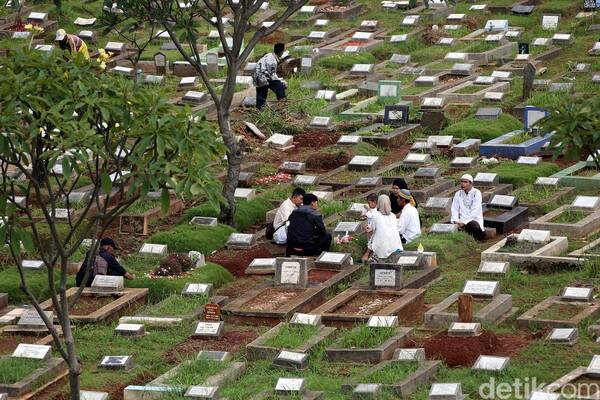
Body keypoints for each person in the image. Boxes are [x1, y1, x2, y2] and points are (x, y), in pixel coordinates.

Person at [365, 195, 403, 262]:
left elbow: (372, 229)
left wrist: (368, 229)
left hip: (382, 247)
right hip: (396, 245)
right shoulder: (393, 215)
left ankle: (370, 255)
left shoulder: (376, 215)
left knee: (372, 235)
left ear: (378, 203)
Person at [253, 42, 288, 110]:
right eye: (283, 51)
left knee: (261, 94)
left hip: (257, 78)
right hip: (262, 77)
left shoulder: (269, 55)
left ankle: (259, 110)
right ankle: (281, 101)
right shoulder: (272, 61)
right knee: (279, 85)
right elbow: (272, 75)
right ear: (281, 52)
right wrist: (282, 81)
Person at [451, 174, 485, 241]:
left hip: (473, 220)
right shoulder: (458, 194)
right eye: (461, 181)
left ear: (471, 184)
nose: (463, 184)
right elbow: (454, 208)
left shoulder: (477, 193)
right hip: (460, 220)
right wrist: (456, 220)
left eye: (465, 182)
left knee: (473, 226)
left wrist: (464, 222)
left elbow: (475, 210)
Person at [361, 193, 379, 262]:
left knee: (372, 240)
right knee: (369, 240)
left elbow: (372, 215)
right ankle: (370, 252)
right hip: (370, 227)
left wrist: (368, 209)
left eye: (369, 203)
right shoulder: (372, 209)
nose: (368, 205)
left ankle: (368, 253)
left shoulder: (376, 210)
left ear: (374, 202)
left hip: (374, 229)